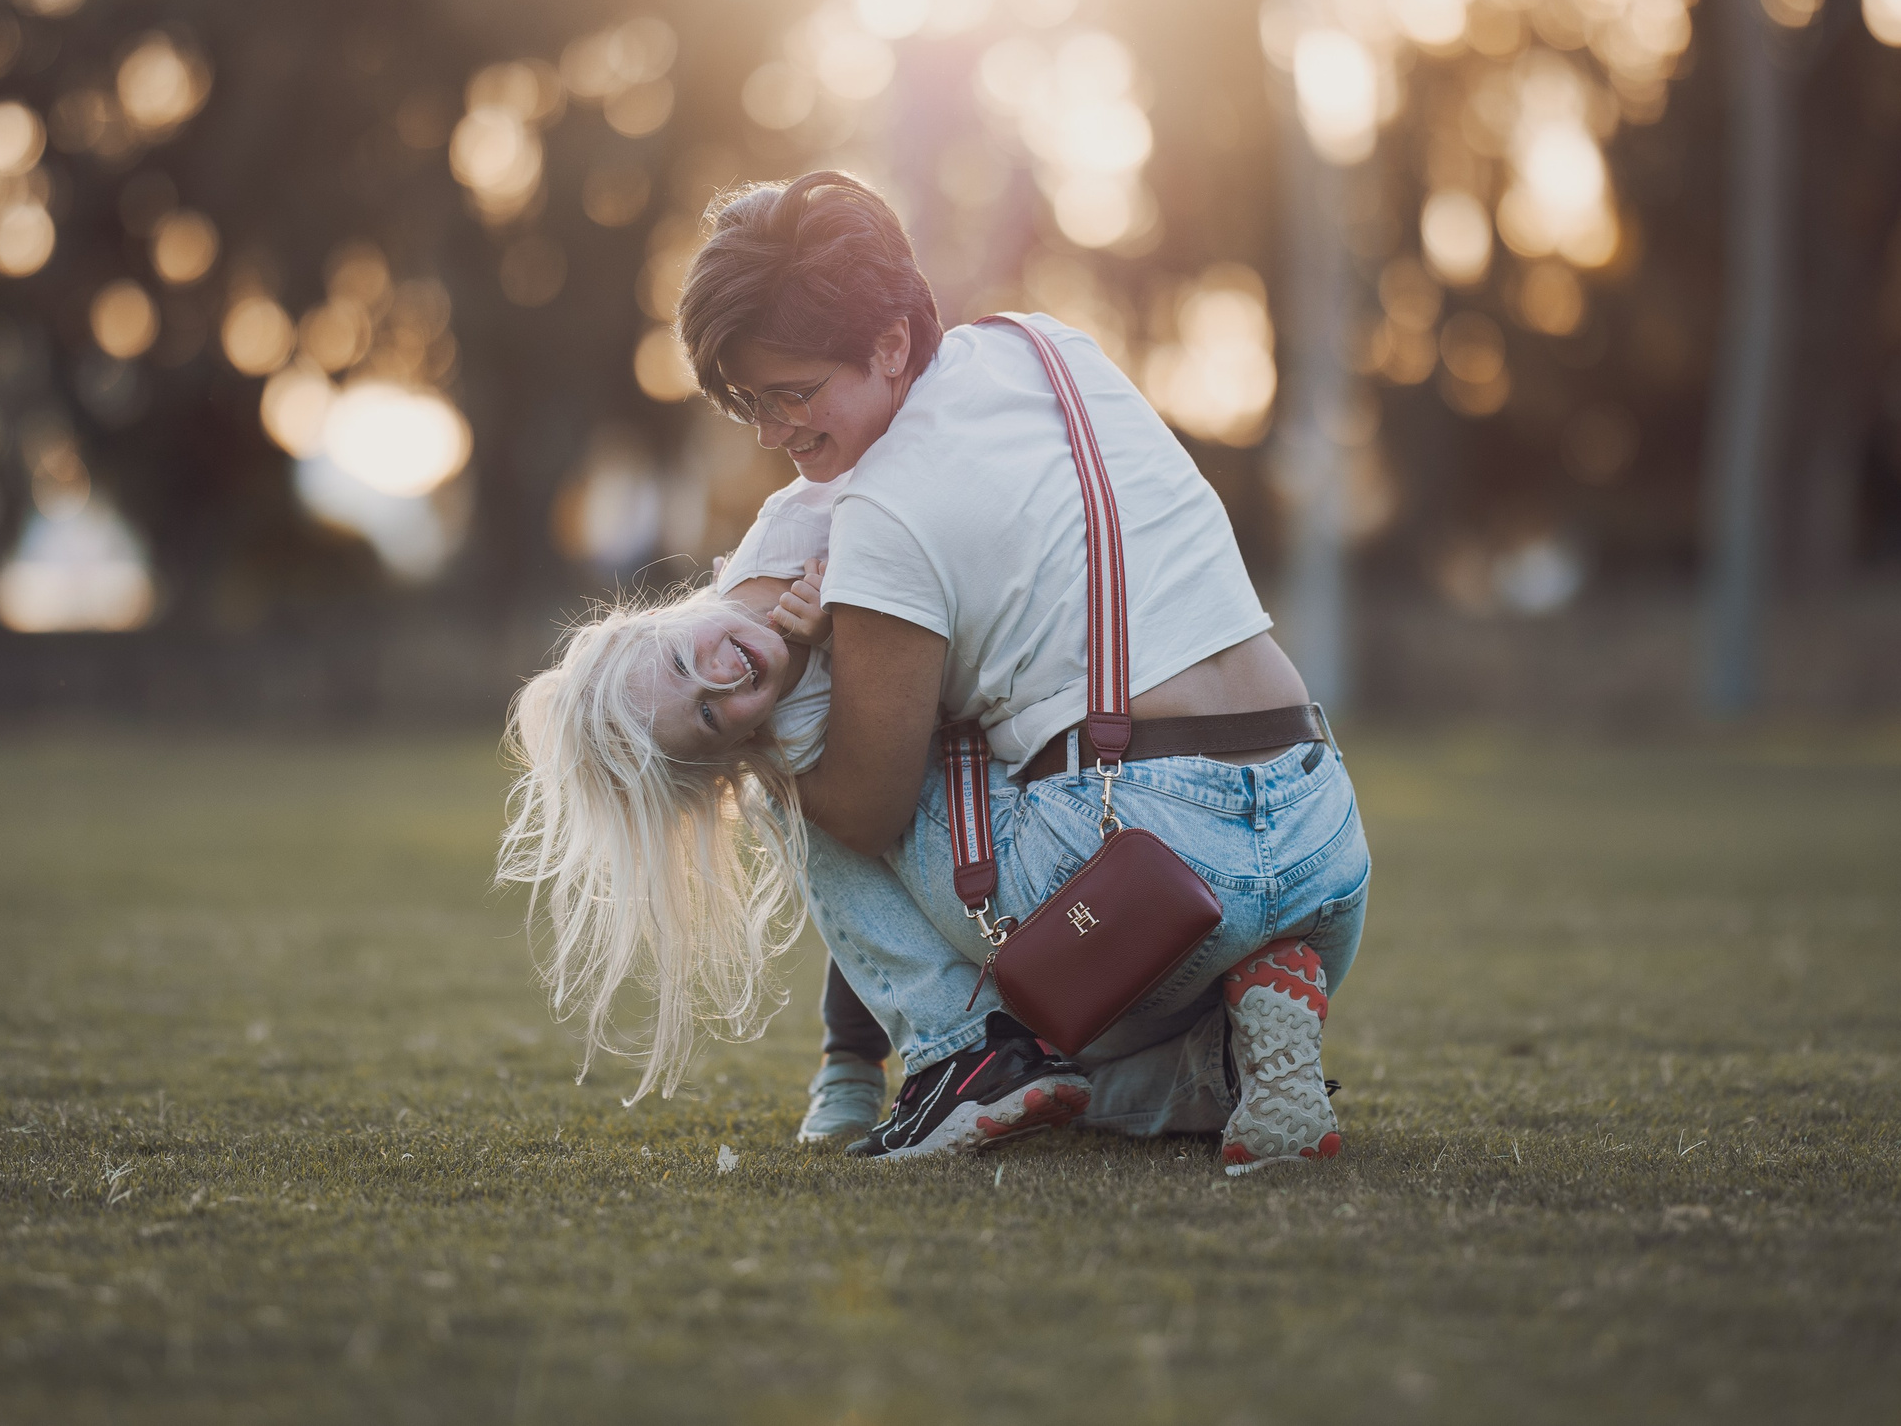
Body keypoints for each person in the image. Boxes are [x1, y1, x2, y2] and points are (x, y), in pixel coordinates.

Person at [669, 170, 1370, 1172]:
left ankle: (961, 1058)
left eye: (794, 394)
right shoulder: (1050, 347)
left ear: (891, 346)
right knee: (1078, 1013)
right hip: (1318, 833)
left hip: (1145, 859)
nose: (773, 431)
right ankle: (1224, 1053)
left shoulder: (885, 509)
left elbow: (866, 809)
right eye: (751, 402)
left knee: (780, 738)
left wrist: (789, 683)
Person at [498, 470, 896, 1133]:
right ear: (735, 749)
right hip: (920, 776)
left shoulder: (778, 546)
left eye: (683, 662)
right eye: (710, 717)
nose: (724, 678)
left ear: (676, 616)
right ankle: (855, 1056)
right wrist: (837, 634)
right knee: (844, 850)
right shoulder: (786, 737)